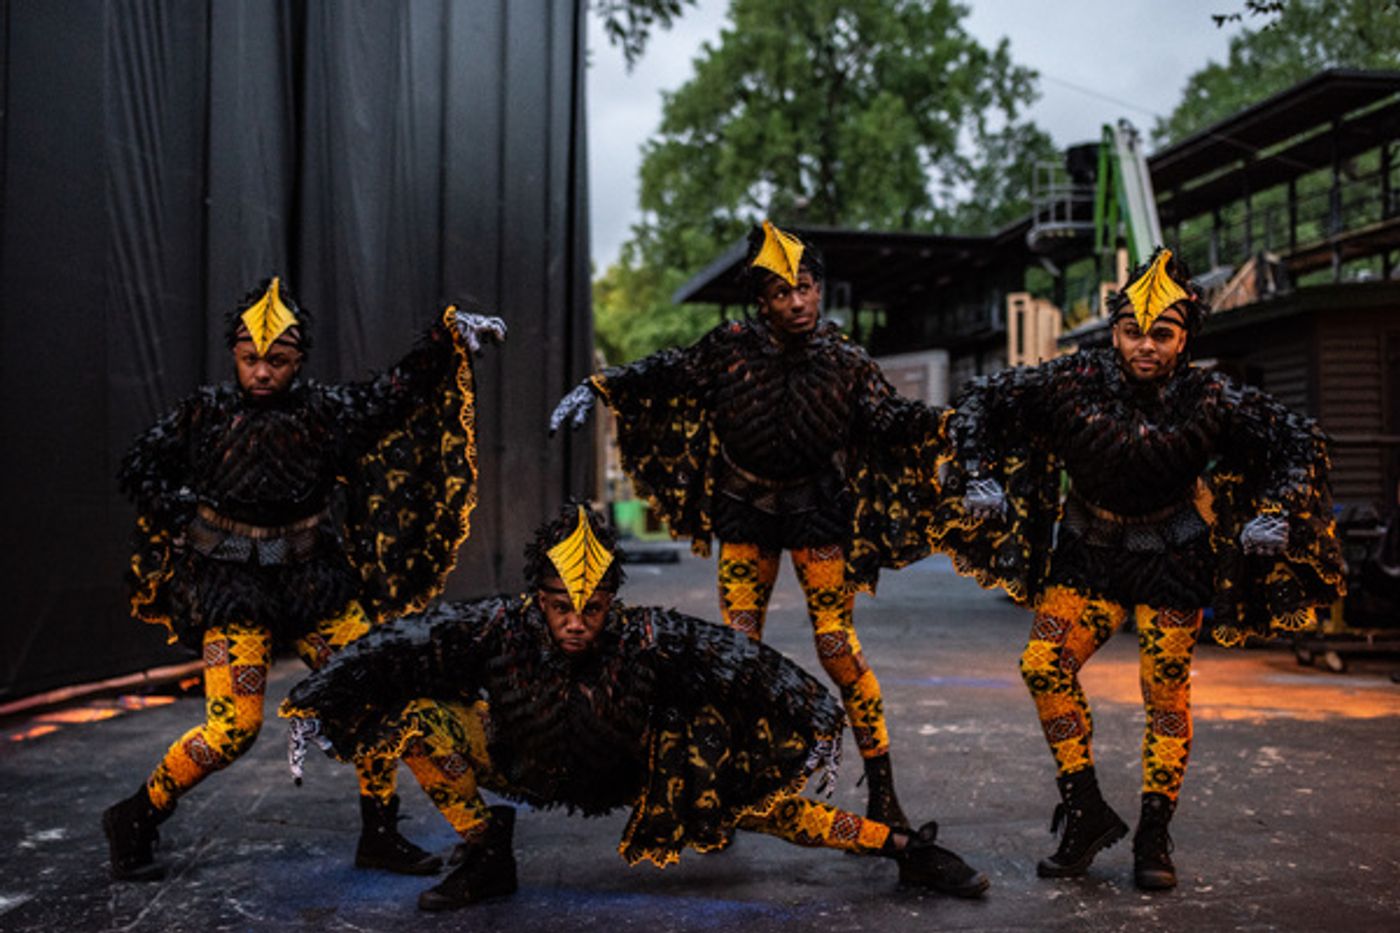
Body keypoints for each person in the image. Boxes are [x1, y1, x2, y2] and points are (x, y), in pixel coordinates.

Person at [280, 503, 989, 911]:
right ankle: (487, 851)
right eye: (561, 608)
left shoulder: (652, 635)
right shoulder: (496, 624)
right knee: (417, 720)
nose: (576, 624)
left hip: (636, 772)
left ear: (612, 601)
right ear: (538, 599)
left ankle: (908, 850)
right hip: (523, 758)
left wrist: (814, 711)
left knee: (770, 805)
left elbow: (749, 662)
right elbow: (407, 641)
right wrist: (322, 691)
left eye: (591, 607)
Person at [930, 248, 1344, 890]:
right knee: (1043, 665)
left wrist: (1277, 509)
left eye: (1162, 333)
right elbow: (983, 399)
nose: (1145, 345)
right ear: (1113, 330)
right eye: (1132, 331)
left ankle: (1154, 835)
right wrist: (980, 472)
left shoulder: (1211, 395)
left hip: (1173, 561)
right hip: (1089, 556)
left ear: (1185, 338)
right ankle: (1086, 809)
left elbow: (1297, 439)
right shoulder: (1070, 380)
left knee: (1166, 695)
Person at [101, 277, 506, 881]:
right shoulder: (204, 414)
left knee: (377, 699)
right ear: (234, 356)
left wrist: (443, 343)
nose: (262, 372)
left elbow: (390, 394)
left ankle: (380, 832)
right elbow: (140, 464)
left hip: (316, 585)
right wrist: (183, 512)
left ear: (299, 361)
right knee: (233, 727)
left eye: (278, 360)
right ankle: (136, 815)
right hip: (230, 591)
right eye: (250, 359)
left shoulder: (325, 414)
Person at [550, 221, 946, 829]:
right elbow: (671, 370)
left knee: (839, 649)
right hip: (744, 510)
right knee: (739, 650)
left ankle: (885, 790)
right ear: (761, 302)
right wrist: (603, 385)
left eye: (806, 288)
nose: (797, 302)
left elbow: (893, 420)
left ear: (820, 291)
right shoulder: (728, 348)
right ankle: (726, 788)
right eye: (782, 292)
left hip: (818, 511)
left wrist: (955, 438)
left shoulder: (846, 361)